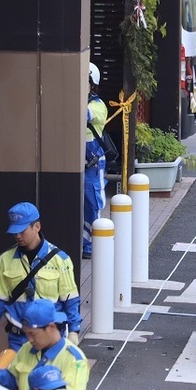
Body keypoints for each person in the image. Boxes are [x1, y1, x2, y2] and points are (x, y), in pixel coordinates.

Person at [0, 201, 82, 357]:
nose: (17, 236)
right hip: (18, 338)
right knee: (19, 378)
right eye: (14, 232)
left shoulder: (60, 260)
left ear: (37, 227)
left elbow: (70, 299)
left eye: (22, 231)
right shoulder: (5, 260)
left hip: (50, 337)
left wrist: (74, 330)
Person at [84, 62, 108, 258]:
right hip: (78, 163)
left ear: (93, 84)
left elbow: (81, 115)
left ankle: (93, 245)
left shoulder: (98, 106)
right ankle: (82, 243)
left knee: (92, 204)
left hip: (92, 164)